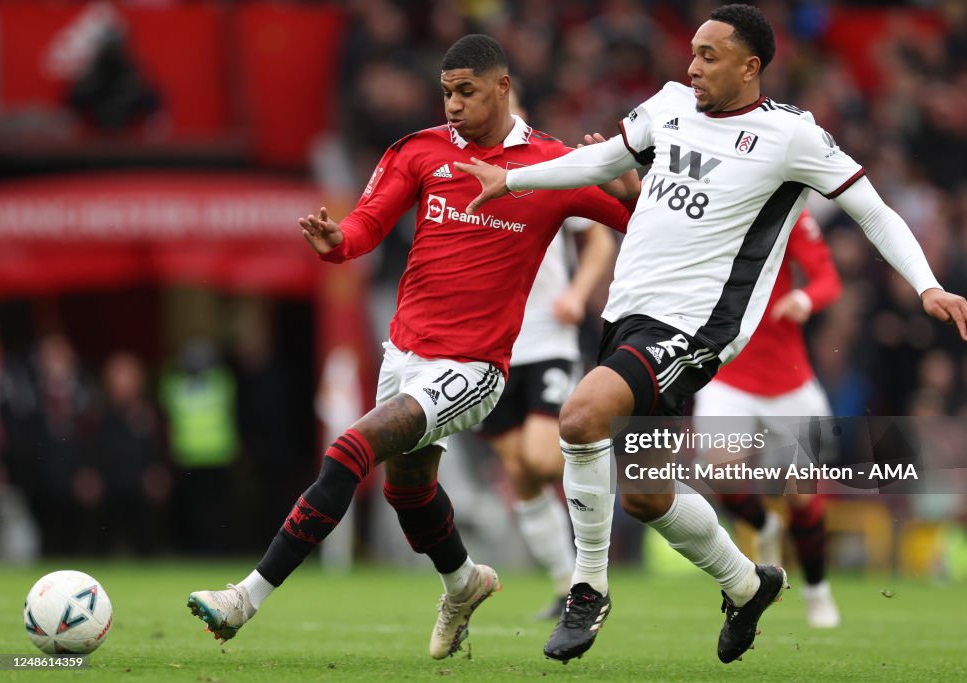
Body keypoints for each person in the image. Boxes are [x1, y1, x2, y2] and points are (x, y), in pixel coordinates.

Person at [457, 3, 967, 664]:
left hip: (697, 328)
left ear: (750, 65)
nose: (693, 65)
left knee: (581, 415)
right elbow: (600, 166)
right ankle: (746, 582)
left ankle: (586, 588)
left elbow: (872, 210)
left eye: (709, 55)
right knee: (648, 494)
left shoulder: (791, 136)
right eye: (694, 52)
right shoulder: (669, 104)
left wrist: (927, 283)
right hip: (628, 315)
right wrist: (512, 179)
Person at [187, 34, 637, 660]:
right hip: (404, 354)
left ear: (502, 87)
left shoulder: (549, 166)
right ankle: (463, 581)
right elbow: (367, 224)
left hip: (474, 366)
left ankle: (246, 597)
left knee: (350, 449)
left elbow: (636, 222)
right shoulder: (419, 151)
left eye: (466, 91)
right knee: (409, 491)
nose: (452, 105)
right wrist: (336, 240)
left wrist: (628, 187)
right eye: (446, 92)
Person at [474, 89, 618, 620]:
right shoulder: (469, 170)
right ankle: (566, 583)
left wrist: (577, 295)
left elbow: (598, 239)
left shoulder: (548, 165)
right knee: (520, 472)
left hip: (548, 340)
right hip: (493, 345)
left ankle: (595, 549)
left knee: (541, 456)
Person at [692, 210, 842, 628]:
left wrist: (805, 299)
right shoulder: (710, 207)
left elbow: (828, 279)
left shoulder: (791, 213)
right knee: (720, 472)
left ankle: (817, 591)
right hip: (729, 375)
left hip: (789, 382)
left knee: (804, 497)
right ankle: (764, 524)